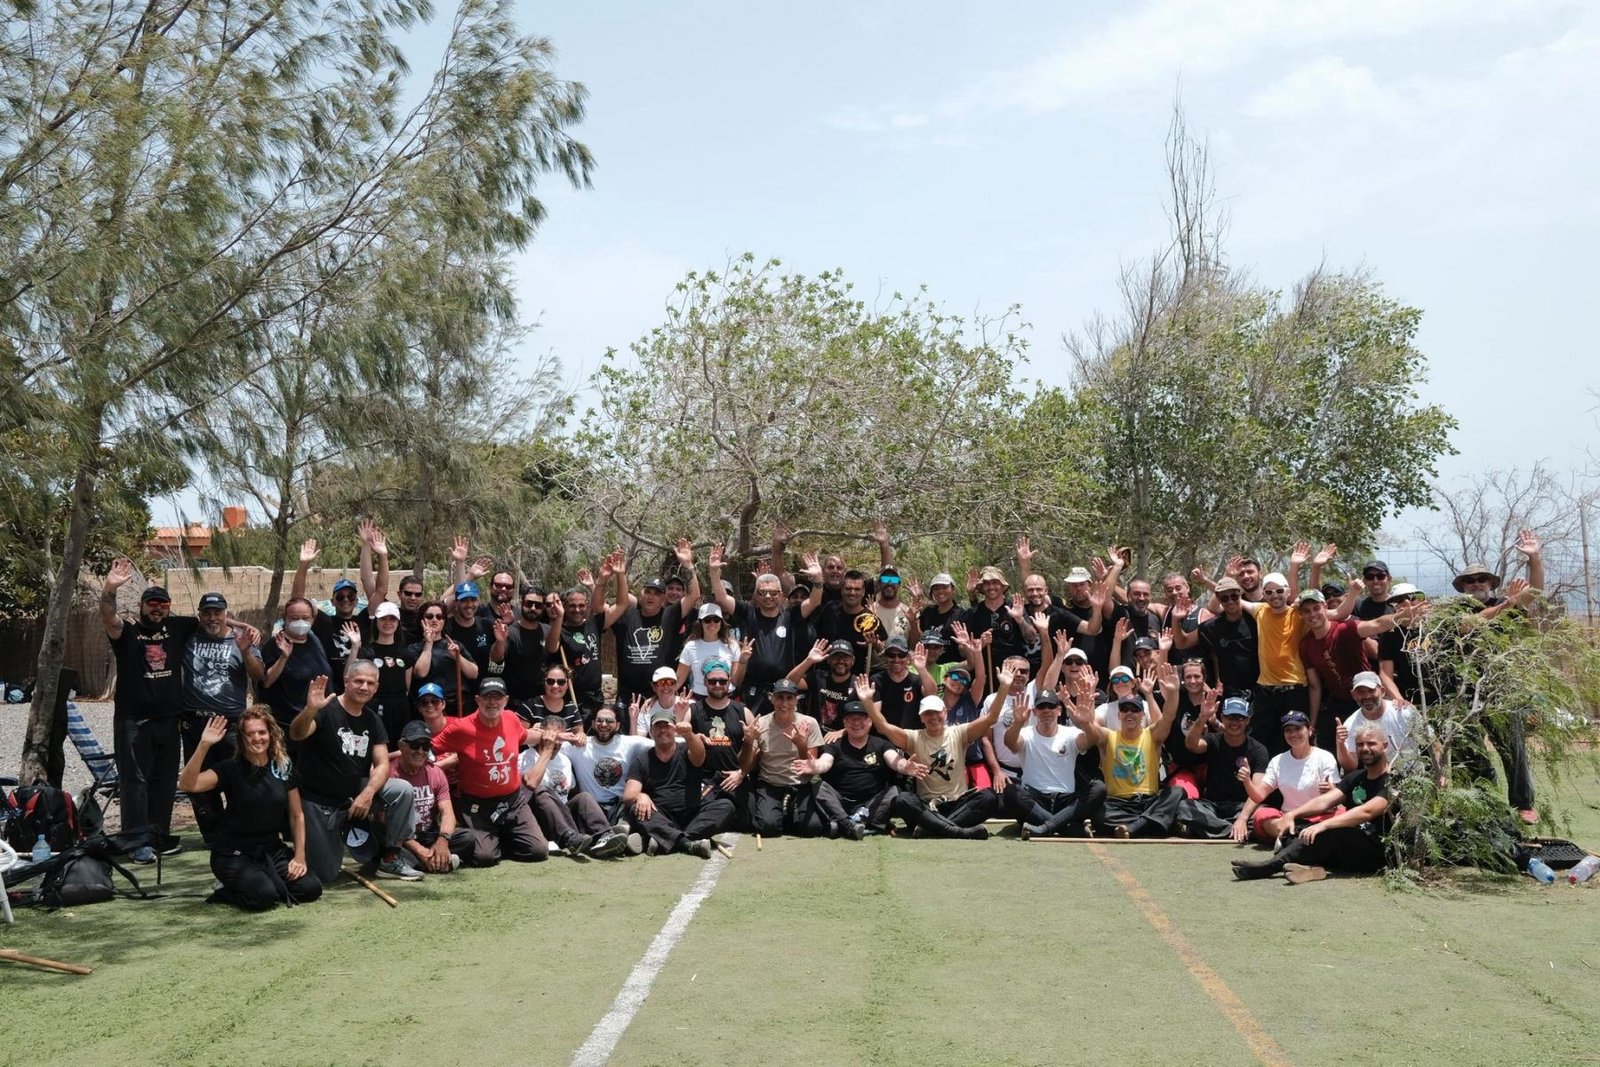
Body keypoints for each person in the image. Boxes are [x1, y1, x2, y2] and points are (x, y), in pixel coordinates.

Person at [99, 558, 201, 862]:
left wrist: (243, 627)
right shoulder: (128, 633)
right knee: (135, 782)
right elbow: (108, 617)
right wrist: (110, 589)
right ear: (141, 607)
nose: (157, 608)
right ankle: (136, 842)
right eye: (152, 604)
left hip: (170, 721)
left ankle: (158, 836)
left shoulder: (177, 628)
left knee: (165, 780)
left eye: (163, 604)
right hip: (134, 722)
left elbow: (213, 620)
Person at [178, 707, 322, 910]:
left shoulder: (283, 767)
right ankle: (225, 891)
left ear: (270, 734)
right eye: (250, 733)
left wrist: (299, 857)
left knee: (311, 889)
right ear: (242, 737)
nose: (257, 738)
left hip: (272, 849)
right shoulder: (229, 768)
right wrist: (204, 745)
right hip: (233, 853)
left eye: (262, 732)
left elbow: (296, 815)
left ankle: (265, 882)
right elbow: (187, 784)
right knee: (264, 897)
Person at [288, 664, 418, 883]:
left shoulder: (372, 719)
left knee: (402, 790)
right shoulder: (325, 709)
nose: (364, 687)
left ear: (376, 687)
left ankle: (390, 856)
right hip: (320, 801)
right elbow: (297, 734)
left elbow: (382, 764)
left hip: (355, 794)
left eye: (370, 683)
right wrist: (310, 710)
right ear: (346, 681)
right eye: (358, 681)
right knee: (325, 875)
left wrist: (368, 793)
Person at [1232, 723, 1395, 883]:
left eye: (1371, 744)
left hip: (1379, 851)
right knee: (1295, 832)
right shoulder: (1355, 778)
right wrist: (1292, 815)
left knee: (1329, 833)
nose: (1365, 748)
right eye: (1360, 744)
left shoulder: (1394, 780)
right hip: (1349, 846)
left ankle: (1269, 867)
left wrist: (1324, 825)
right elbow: (1324, 801)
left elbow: (1367, 811)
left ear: (1385, 746)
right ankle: (1316, 869)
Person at [865, 666, 1014, 839]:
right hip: (928, 806)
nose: (933, 717)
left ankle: (933, 828)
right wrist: (867, 701)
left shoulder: (959, 733)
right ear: (921, 717)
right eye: (928, 713)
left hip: (957, 803)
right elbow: (882, 727)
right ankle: (956, 830)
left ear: (945, 713)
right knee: (903, 799)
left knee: (989, 797)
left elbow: (991, 718)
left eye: (937, 712)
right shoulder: (914, 737)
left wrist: (1004, 687)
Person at [428, 676, 548, 864]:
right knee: (484, 857)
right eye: (487, 697)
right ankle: (492, 843)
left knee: (538, 851)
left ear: (506, 700)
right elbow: (427, 747)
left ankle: (500, 840)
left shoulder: (511, 718)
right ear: (478, 700)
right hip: (477, 805)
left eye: (497, 697)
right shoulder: (462, 727)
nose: (492, 702)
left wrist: (549, 737)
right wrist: (393, 758)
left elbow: (525, 736)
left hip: (513, 802)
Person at [180, 592, 263, 845]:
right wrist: (239, 622)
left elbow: (258, 675)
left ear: (226, 614)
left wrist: (245, 651)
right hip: (195, 721)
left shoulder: (242, 640)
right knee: (199, 781)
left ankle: (239, 828)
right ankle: (214, 835)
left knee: (239, 777)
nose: (212, 618)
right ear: (199, 615)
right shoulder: (189, 636)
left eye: (218, 613)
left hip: (230, 722)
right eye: (207, 613)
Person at [740, 678, 856, 838]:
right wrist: (748, 742)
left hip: (800, 785)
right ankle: (784, 814)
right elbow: (745, 766)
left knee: (813, 828)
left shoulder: (809, 723)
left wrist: (801, 745)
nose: (784, 703)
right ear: (771, 698)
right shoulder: (760, 724)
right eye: (780, 697)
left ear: (796, 700)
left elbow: (811, 769)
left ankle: (789, 813)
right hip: (770, 784)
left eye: (789, 698)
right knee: (767, 827)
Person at [1084, 670, 1183, 838]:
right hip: (1117, 804)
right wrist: (1086, 707)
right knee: (1099, 816)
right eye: (1125, 709)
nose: (1129, 713)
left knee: (1177, 792)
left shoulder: (1152, 735)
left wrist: (1173, 692)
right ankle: (1152, 824)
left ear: (1142, 714)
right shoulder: (1108, 737)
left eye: (1134, 709)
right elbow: (1089, 726)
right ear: (1118, 715)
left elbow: (1168, 717)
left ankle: (1134, 827)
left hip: (1148, 801)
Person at [624, 707, 732, 858]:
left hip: (693, 814)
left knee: (725, 806)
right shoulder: (642, 760)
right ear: (651, 731)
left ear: (675, 730)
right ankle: (686, 843)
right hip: (661, 816)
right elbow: (628, 796)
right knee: (635, 809)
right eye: (658, 726)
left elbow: (699, 755)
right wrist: (641, 795)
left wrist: (689, 734)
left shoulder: (687, 749)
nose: (662, 730)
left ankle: (665, 838)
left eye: (667, 726)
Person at [520, 711, 629, 859]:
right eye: (552, 737)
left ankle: (604, 836)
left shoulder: (564, 760)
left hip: (563, 817)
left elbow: (570, 790)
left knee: (583, 797)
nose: (555, 743)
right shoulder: (526, 757)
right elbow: (531, 784)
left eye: (559, 738)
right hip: (538, 818)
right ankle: (570, 839)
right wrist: (546, 750)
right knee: (541, 790)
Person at [1001, 689, 1105, 839]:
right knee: (1010, 791)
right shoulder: (1025, 733)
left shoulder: (1070, 733)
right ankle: (1066, 828)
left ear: (1059, 710)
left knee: (1099, 788)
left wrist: (1086, 724)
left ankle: (1046, 827)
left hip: (1065, 802)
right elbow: (1010, 743)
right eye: (1041, 707)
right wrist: (1017, 723)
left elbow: (1092, 740)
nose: (1046, 711)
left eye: (1051, 706)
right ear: (1034, 712)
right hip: (1036, 801)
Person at [808, 700, 914, 834]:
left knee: (894, 791)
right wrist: (815, 766)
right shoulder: (834, 746)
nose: (856, 723)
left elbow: (895, 760)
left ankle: (850, 825)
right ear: (844, 723)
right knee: (818, 786)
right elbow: (825, 762)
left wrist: (905, 766)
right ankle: (848, 824)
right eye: (851, 719)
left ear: (870, 722)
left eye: (861, 718)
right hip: (842, 803)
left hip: (872, 804)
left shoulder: (882, 744)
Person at [1178, 693, 1270, 840]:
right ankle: (1233, 831)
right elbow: (1191, 745)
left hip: (1242, 808)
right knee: (1184, 807)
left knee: (1264, 814)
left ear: (1248, 720)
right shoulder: (1212, 740)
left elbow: (1257, 792)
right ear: (1222, 718)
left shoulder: (1259, 750)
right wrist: (1202, 717)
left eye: (1240, 718)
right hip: (1212, 806)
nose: (1234, 722)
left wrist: (1242, 818)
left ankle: (1217, 828)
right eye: (1230, 717)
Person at [1242, 711, 1342, 843]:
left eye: (1298, 728)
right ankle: (1300, 836)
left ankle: (1290, 837)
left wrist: (1330, 790)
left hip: (1321, 816)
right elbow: (1259, 796)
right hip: (1288, 817)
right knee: (1261, 815)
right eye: (1288, 730)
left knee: (1342, 815)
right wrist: (1247, 781)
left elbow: (1335, 795)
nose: (1293, 734)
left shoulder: (1325, 757)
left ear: (1310, 731)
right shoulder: (1277, 761)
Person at [388, 721, 474, 873]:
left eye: (426, 746)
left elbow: (447, 813)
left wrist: (443, 841)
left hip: (428, 835)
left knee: (468, 838)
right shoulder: (389, 773)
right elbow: (383, 820)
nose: (420, 751)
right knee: (383, 842)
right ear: (401, 745)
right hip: (401, 838)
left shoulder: (435, 772)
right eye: (415, 745)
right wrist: (419, 850)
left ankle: (423, 861)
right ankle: (435, 861)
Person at [566, 702, 652, 825]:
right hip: (591, 809)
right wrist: (572, 735)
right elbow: (551, 742)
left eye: (609, 721)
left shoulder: (629, 744)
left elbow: (665, 743)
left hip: (620, 807)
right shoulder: (579, 746)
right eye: (599, 720)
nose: (604, 724)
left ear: (617, 725)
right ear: (593, 724)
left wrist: (682, 730)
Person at [260, 596, 335, 733]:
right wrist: (283, 657)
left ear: (312, 619)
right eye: (295, 618)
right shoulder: (275, 645)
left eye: (305, 618)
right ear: (285, 618)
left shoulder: (314, 640)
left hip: (319, 721)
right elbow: (266, 682)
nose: (301, 622)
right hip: (289, 724)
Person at [1336, 672, 1428, 773]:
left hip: (1414, 776)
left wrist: (1441, 775)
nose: (1367, 696)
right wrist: (1340, 743)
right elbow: (1351, 766)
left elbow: (1432, 742)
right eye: (1361, 692)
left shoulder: (1404, 712)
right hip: (1377, 779)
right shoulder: (1350, 724)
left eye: (1371, 690)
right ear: (1353, 695)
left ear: (1382, 691)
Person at [358, 601, 414, 742]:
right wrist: (354, 647)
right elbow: (349, 675)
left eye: (392, 619)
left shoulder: (405, 653)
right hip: (375, 705)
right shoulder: (367, 652)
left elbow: (407, 686)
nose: (388, 623)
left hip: (400, 707)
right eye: (383, 618)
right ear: (376, 622)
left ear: (398, 622)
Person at [406, 599, 477, 710]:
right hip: (430, 706)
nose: (434, 620)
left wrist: (457, 657)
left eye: (439, 617)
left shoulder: (455, 645)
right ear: (421, 621)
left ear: (444, 621)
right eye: (429, 616)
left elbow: (474, 674)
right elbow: (420, 673)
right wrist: (428, 643)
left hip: (458, 706)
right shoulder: (414, 648)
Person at [678, 602, 742, 698]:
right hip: (700, 699)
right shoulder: (690, 646)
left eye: (716, 620)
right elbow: (679, 679)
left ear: (721, 622)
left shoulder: (732, 645)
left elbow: (736, 681)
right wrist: (660, 696)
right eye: (707, 620)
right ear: (700, 623)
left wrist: (743, 661)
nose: (712, 623)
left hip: (727, 698)